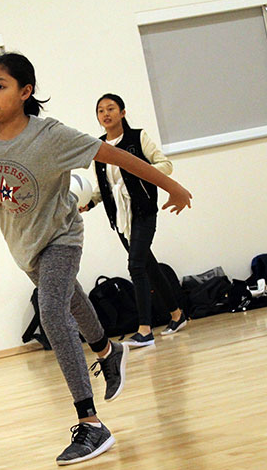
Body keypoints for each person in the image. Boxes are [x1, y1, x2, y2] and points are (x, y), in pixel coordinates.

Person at [0, 47, 192, 465]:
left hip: (61, 238)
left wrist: (172, 187)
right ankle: (109, 352)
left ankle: (91, 424)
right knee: (71, 298)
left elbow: (118, 156)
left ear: (25, 91)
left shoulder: (50, 135)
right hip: (25, 247)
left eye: (1, 86)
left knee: (53, 311)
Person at [81, 94, 189, 348]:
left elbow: (165, 165)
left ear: (122, 112)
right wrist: (91, 202)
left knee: (136, 267)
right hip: (119, 216)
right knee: (148, 265)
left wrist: (141, 169)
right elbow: (104, 186)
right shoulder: (99, 147)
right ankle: (177, 314)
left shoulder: (138, 137)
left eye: (111, 109)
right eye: (100, 111)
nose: (106, 114)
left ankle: (144, 329)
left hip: (143, 211)